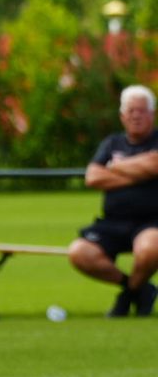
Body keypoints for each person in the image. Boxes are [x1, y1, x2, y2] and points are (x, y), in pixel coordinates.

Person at [67, 84, 158, 317]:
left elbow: (155, 164)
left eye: (141, 110)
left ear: (152, 114)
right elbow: (93, 177)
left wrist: (115, 167)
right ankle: (138, 289)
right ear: (122, 116)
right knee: (78, 252)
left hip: (151, 221)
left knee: (151, 249)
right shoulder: (111, 143)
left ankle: (128, 295)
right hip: (113, 223)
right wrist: (141, 172)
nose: (136, 115)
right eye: (131, 111)